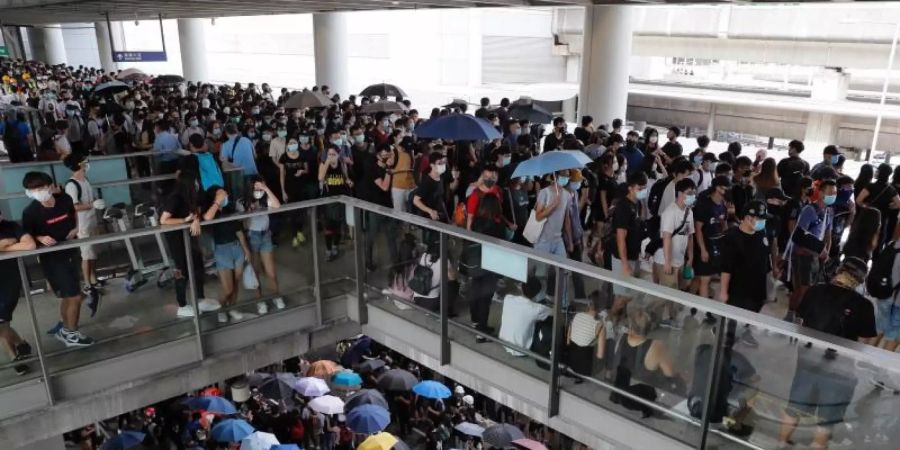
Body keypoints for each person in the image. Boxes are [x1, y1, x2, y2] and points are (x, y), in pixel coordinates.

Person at [777, 257, 877, 450]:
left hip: (807, 359)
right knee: (826, 419)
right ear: (860, 280)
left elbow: (802, 321)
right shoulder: (863, 306)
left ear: (839, 270)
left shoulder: (815, 291)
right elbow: (866, 340)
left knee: (795, 406)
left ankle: (780, 444)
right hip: (840, 368)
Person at [20, 171, 94, 347]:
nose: (38, 192)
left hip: (69, 250)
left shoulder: (65, 200)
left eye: (41, 188)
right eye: (33, 190)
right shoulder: (30, 212)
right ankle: (70, 332)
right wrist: (39, 238)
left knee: (68, 296)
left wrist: (75, 229)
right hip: (52, 258)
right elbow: (27, 236)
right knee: (74, 296)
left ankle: (64, 325)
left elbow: (72, 214)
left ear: (50, 186)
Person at [160, 172, 220, 318]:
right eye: (195, 182)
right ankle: (182, 305)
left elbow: (197, 210)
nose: (197, 185)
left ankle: (200, 298)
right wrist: (184, 220)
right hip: (176, 239)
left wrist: (195, 220)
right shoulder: (175, 198)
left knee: (198, 266)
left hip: (190, 238)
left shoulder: (192, 196)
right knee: (182, 271)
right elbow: (164, 220)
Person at [719, 200, 779, 347]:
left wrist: (772, 269)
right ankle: (729, 339)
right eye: (760, 219)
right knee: (734, 317)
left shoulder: (761, 233)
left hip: (757, 287)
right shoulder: (732, 237)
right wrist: (723, 291)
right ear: (748, 218)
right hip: (738, 288)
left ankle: (746, 332)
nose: (763, 222)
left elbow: (766, 254)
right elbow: (726, 268)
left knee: (752, 314)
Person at [785, 179, 836, 322]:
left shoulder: (829, 211)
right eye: (829, 192)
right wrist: (818, 250)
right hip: (803, 255)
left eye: (834, 193)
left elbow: (828, 235)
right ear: (820, 192)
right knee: (802, 289)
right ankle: (792, 315)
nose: (833, 195)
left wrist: (826, 251)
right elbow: (800, 234)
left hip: (817, 256)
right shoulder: (809, 210)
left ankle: (799, 315)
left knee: (809, 289)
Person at [202, 185, 251, 323]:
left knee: (236, 283)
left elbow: (239, 231)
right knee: (228, 289)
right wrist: (217, 203)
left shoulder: (230, 209)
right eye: (221, 194)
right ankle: (221, 308)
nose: (225, 196)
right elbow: (206, 218)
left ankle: (232, 307)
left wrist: (246, 249)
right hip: (222, 251)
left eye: (225, 194)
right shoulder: (211, 211)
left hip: (236, 249)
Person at [63, 153, 102, 315]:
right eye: (84, 162)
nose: (86, 164)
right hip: (82, 223)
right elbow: (74, 207)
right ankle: (87, 284)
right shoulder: (71, 185)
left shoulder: (85, 180)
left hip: (91, 219)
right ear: (78, 165)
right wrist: (92, 204)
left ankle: (93, 280)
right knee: (86, 254)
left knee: (92, 252)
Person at [0, 211, 36, 375]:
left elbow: (29, 245)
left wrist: (5, 246)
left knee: (2, 322)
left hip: (8, 282)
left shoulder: (11, 226)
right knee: (3, 323)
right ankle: (18, 351)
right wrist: (5, 245)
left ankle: (19, 348)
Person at [244, 177, 285, 314]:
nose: (258, 190)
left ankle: (276, 296)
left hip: (265, 235)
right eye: (256, 187)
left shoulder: (265, 199)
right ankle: (259, 301)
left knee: (271, 272)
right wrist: (248, 212)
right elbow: (243, 224)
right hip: (252, 236)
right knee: (255, 272)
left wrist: (266, 189)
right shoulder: (243, 202)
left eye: (260, 187)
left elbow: (277, 205)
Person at [533, 170, 572, 298]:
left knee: (564, 271)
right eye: (563, 176)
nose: (565, 178)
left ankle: (563, 302)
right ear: (555, 176)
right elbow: (538, 216)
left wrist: (570, 240)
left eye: (567, 176)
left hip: (558, 239)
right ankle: (539, 299)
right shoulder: (544, 193)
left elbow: (566, 219)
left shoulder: (566, 195)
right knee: (541, 274)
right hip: (543, 240)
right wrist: (552, 205)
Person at [611, 171, 649, 303]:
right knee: (621, 296)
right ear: (630, 188)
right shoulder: (623, 207)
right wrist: (625, 263)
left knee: (628, 294)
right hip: (622, 258)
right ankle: (610, 321)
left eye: (645, 188)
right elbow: (621, 238)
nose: (643, 191)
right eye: (640, 189)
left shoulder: (637, 203)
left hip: (633, 254)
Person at [691, 175, 730, 299]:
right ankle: (704, 311)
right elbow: (698, 229)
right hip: (705, 245)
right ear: (717, 188)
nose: (727, 191)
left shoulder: (723, 205)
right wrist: (702, 249)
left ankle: (689, 297)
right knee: (704, 279)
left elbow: (724, 224)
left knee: (702, 278)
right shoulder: (705, 205)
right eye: (725, 188)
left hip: (716, 246)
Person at [653, 178, 696, 292]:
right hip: (665, 260)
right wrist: (667, 262)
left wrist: (690, 257)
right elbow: (666, 237)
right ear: (680, 194)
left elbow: (690, 236)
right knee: (668, 294)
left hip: (679, 260)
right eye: (689, 193)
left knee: (677, 293)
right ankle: (647, 308)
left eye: (693, 193)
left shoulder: (689, 212)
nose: (692, 196)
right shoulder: (670, 212)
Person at [498, 279, 550, 356]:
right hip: (522, 350)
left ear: (521, 287)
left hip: (503, 341)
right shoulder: (537, 308)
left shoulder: (508, 298)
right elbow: (554, 313)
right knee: (546, 321)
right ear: (537, 293)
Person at [318, 146, 353, 260]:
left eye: (333, 154)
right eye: (329, 154)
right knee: (328, 226)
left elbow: (345, 178)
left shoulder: (342, 164)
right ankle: (328, 249)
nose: (331, 156)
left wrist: (348, 181)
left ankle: (335, 246)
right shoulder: (324, 164)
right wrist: (327, 162)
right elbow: (320, 178)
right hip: (329, 200)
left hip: (341, 199)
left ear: (338, 155)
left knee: (338, 226)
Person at [857, 163, 900, 253]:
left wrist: (866, 206)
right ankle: (874, 263)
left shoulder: (870, 186)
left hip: (868, 219)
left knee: (863, 244)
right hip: (882, 221)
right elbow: (898, 204)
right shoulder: (891, 189)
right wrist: (890, 207)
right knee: (878, 246)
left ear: (879, 172)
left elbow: (859, 200)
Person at [566, 291, 604, 377]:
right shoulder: (600, 325)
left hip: (571, 361)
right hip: (586, 369)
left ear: (588, 303)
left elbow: (568, 341)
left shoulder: (576, 315)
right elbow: (600, 355)